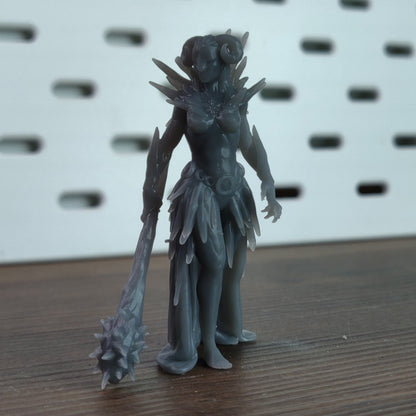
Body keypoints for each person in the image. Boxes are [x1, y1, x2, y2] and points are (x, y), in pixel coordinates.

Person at [142, 32, 282, 374]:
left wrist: (267, 179)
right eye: (196, 61)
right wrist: (150, 189)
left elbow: (248, 144)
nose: (200, 67)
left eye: (208, 61)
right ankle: (206, 344)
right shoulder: (186, 102)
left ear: (223, 61)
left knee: (233, 269)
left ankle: (229, 329)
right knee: (214, 265)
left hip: (235, 190)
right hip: (201, 191)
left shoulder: (236, 99)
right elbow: (165, 148)